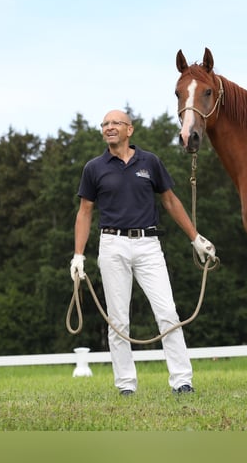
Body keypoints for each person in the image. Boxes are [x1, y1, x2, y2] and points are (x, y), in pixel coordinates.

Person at [69, 109, 216, 396]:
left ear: (129, 130)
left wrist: (195, 238)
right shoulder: (94, 168)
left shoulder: (150, 162)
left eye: (115, 123)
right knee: (118, 320)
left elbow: (171, 201)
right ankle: (126, 386)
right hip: (112, 245)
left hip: (149, 244)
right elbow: (85, 211)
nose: (109, 128)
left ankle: (182, 382)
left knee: (167, 313)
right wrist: (78, 255)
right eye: (105, 124)